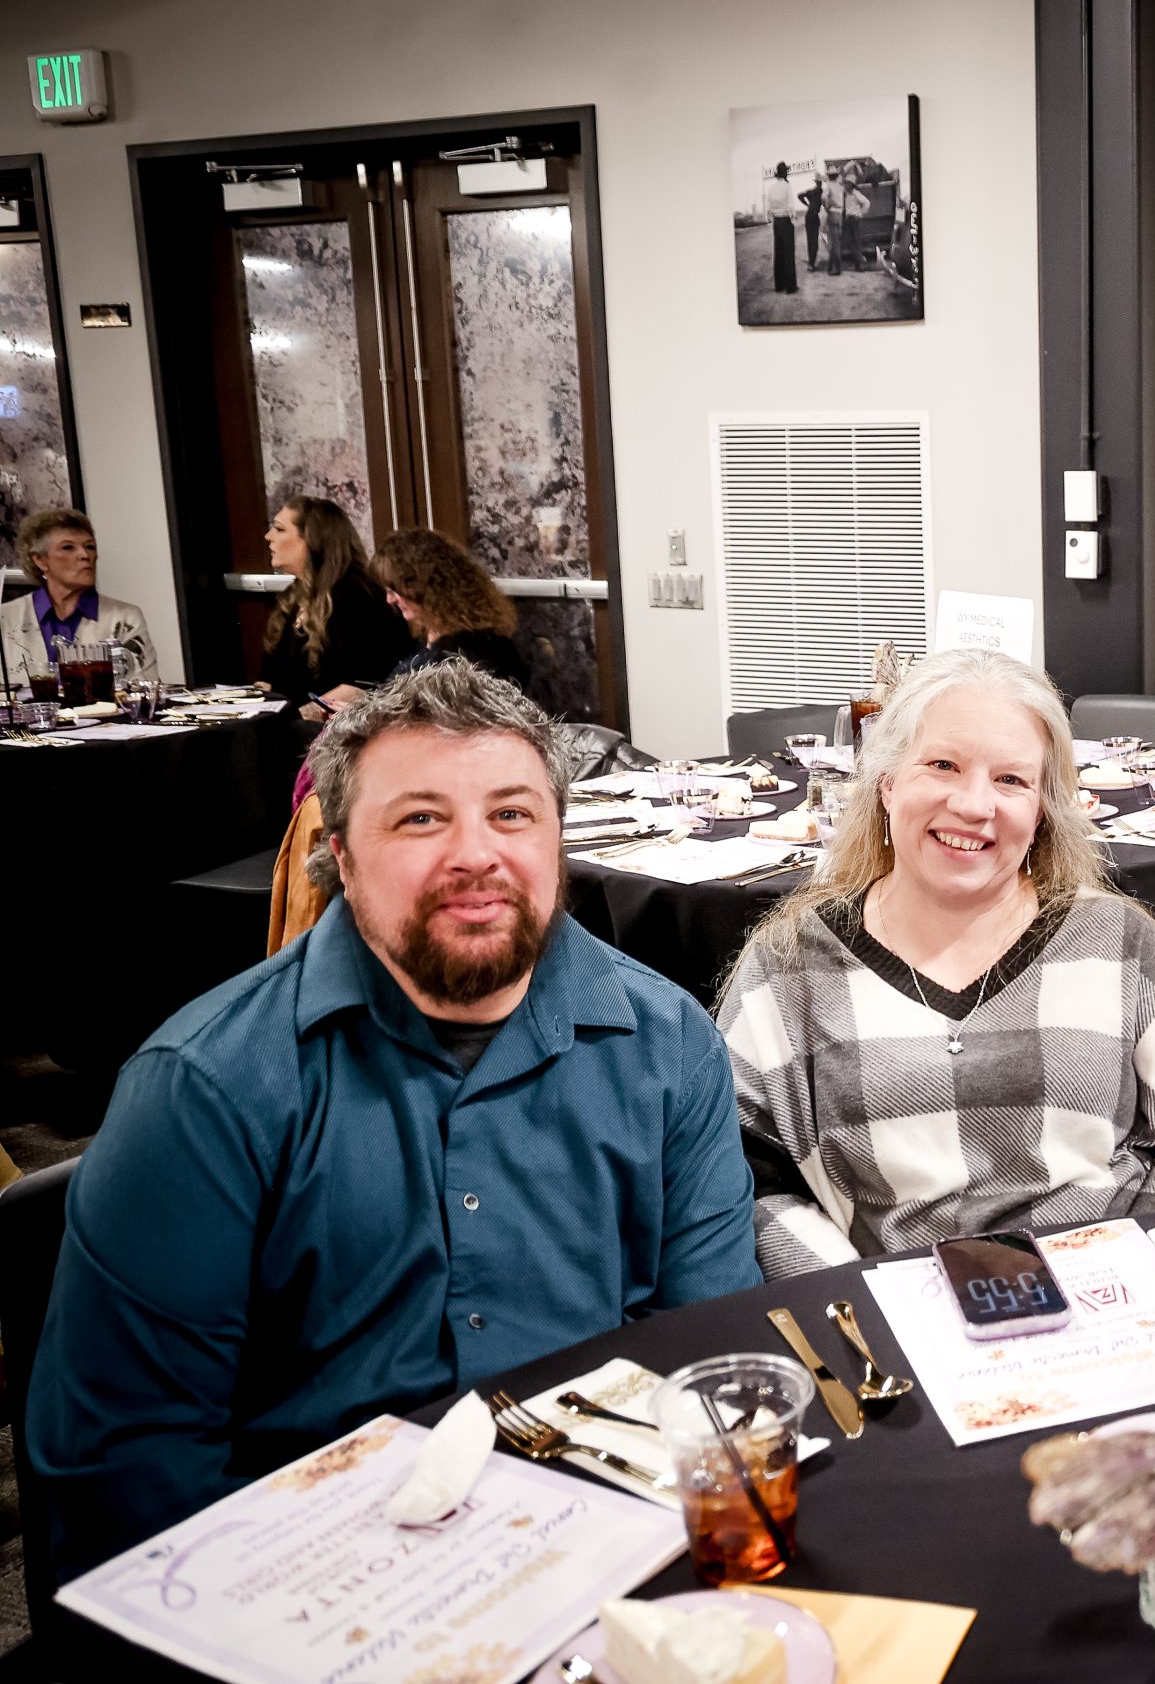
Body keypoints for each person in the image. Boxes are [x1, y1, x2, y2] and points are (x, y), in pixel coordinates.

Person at [27, 659, 760, 1574]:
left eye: (512, 814)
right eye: (420, 818)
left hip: (604, 1541)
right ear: (340, 855)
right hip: (305, 1577)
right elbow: (126, 1474)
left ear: (558, 838)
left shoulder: (669, 1043)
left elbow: (709, 1354)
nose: (475, 854)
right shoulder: (206, 1087)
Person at [720, 648, 1155, 1271]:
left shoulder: (1115, 941)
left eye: (1011, 780)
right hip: (888, 1314)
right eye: (943, 765)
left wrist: (1143, 1260)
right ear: (887, 783)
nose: (975, 805)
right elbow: (746, 1171)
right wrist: (852, 1297)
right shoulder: (789, 966)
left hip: (1108, 1300)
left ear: (1043, 810)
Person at [256, 495, 411, 717]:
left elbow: (362, 684)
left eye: (279, 529)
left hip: (337, 728)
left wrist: (292, 721)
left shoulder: (359, 596)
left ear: (312, 539)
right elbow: (269, 678)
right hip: (292, 725)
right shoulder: (291, 597)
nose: (268, 536)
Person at [366, 526, 530, 694]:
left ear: (423, 585)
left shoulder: (472, 653)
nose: (390, 600)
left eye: (394, 591)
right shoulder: (429, 636)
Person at [2, 507, 158, 684]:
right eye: (68, 547)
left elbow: (145, 689)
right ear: (39, 560)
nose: (85, 555)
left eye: (90, 547)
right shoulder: (6, 618)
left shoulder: (124, 618)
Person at [765, 161, 799, 295]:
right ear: (785, 173)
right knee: (788, 253)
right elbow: (791, 205)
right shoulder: (786, 186)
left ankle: (779, 285)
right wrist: (793, 218)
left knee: (778, 252)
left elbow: (768, 207)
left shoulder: (771, 188)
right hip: (785, 220)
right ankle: (790, 286)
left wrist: (771, 218)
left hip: (776, 222)